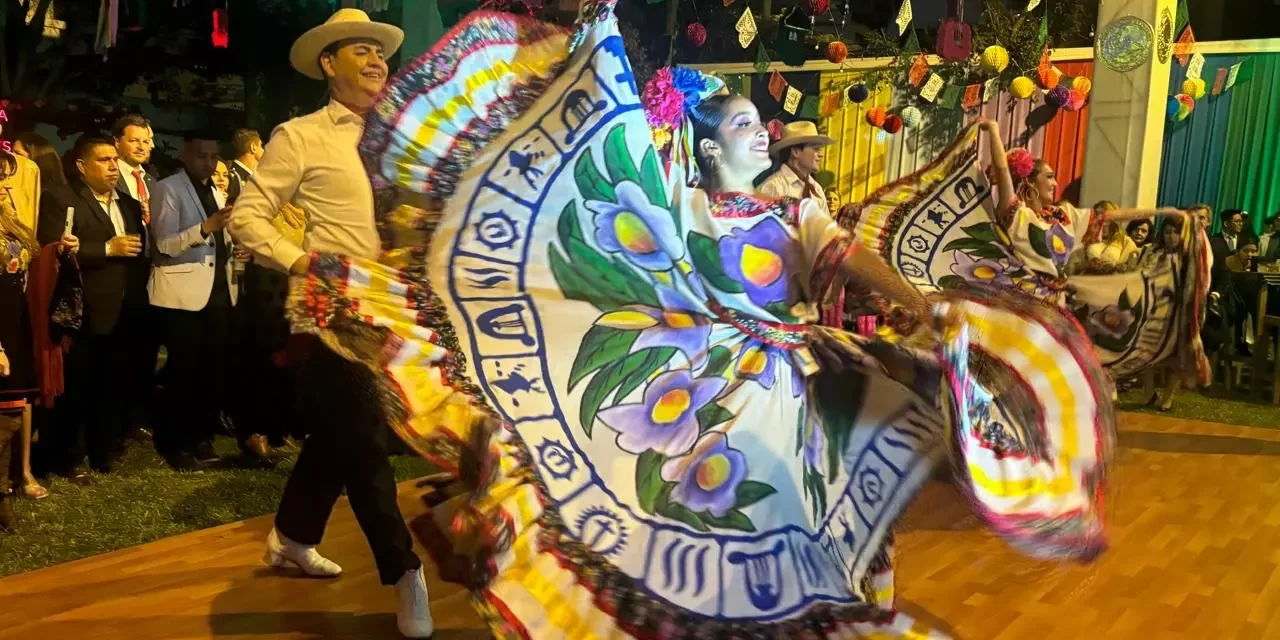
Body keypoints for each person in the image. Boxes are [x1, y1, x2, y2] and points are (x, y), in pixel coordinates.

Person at [295, 7, 1116, 637]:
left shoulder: (794, 214)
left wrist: (917, 303)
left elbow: (842, 259)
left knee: (831, 544)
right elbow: (602, 228)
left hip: (787, 403)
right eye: (745, 126)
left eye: (764, 126)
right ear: (709, 142)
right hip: (698, 400)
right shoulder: (677, 208)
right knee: (672, 545)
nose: (762, 135)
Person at [225, 9, 431, 638]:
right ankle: (405, 576)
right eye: (361, 51)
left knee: (340, 435)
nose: (377, 62)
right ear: (328, 63)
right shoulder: (302, 135)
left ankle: (291, 535)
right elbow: (247, 217)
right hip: (333, 312)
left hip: (398, 309)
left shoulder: (407, 137)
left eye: (380, 52)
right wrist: (302, 262)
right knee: (366, 442)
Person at [36, 135, 149, 479]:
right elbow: (54, 248)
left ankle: (104, 450)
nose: (113, 166)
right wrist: (105, 249)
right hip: (83, 309)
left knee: (112, 384)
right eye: (104, 160)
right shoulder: (62, 198)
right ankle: (67, 457)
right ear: (82, 167)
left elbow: (138, 253)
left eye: (115, 160)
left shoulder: (128, 204)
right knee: (77, 387)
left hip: (124, 308)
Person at [149, 136, 239, 471]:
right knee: (183, 372)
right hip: (181, 295)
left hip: (218, 292)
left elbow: (219, 241)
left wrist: (231, 244)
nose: (209, 163)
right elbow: (165, 243)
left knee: (211, 371)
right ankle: (175, 442)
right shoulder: (168, 188)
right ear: (186, 155)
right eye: (202, 156)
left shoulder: (215, 190)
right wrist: (206, 227)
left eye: (214, 156)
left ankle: (202, 436)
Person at [757, 120, 834, 214]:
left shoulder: (816, 189)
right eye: (815, 149)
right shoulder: (773, 188)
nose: (821, 154)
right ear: (796, 152)